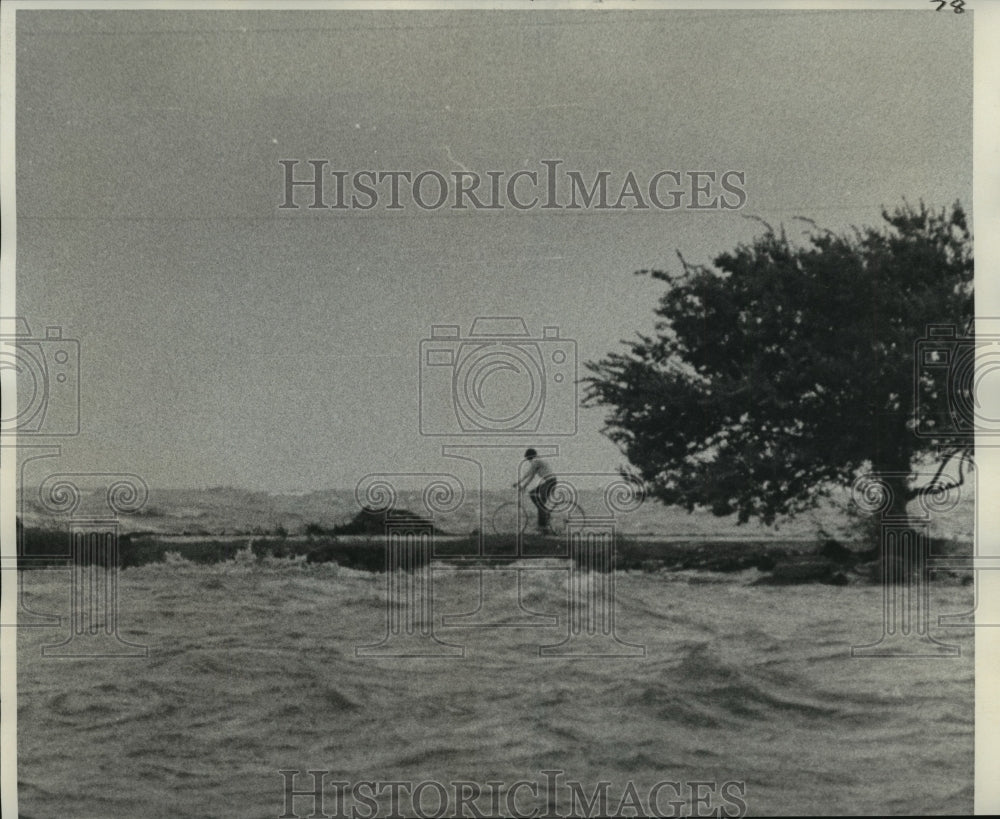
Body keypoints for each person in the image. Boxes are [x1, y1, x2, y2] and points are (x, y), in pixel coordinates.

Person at [513, 448, 557, 533]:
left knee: (540, 504)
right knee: (533, 494)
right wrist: (523, 486)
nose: (528, 461)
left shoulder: (536, 461)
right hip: (550, 482)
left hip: (550, 482)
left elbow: (529, 473)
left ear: (530, 456)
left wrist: (519, 483)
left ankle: (543, 526)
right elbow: (531, 476)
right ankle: (544, 516)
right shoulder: (537, 461)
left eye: (528, 459)